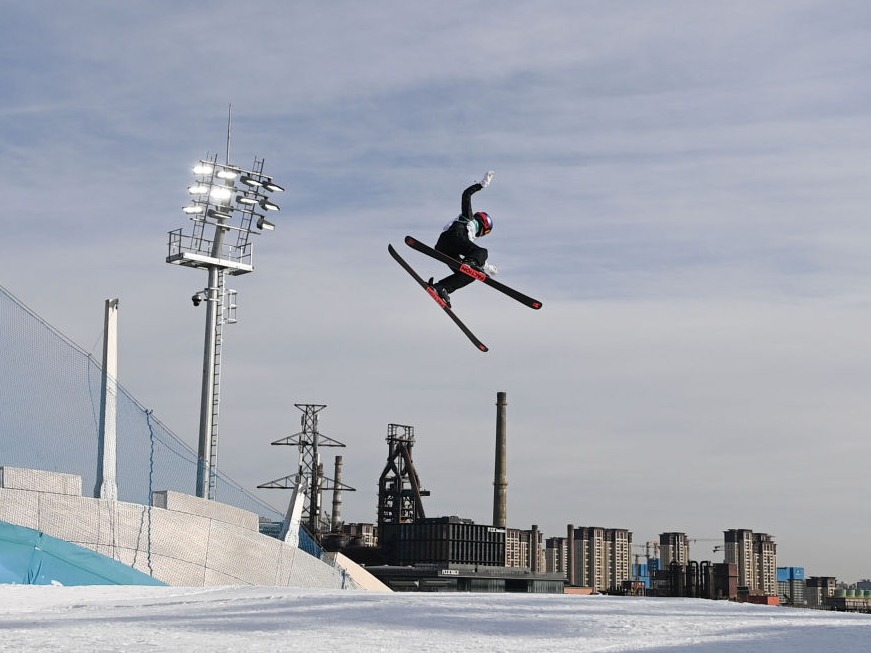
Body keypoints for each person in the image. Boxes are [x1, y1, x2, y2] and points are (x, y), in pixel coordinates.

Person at [429, 171, 498, 308]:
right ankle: (470, 262)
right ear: (483, 224)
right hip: (454, 236)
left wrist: (487, 267)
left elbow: (472, 253)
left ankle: (441, 287)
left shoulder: (470, 236)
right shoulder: (468, 218)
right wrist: (481, 185)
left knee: (470, 275)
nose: (481, 235)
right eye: (485, 232)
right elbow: (466, 195)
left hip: (443, 247)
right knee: (483, 251)